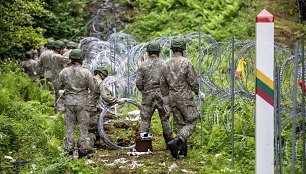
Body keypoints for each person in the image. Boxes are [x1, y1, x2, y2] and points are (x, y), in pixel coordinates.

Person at [160, 38, 199, 159]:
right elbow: (192, 81)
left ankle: (182, 152)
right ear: (182, 50)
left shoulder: (166, 64)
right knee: (192, 121)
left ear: (172, 50)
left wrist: (166, 96)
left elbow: (163, 83)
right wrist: (198, 91)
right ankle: (176, 142)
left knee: (181, 123)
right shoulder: (186, 62)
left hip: (172, 98)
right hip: (185, 97)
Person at [55, 49, 96, 158]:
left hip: (68, 102)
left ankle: (69, 150)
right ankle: (83, 149)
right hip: (82, 102)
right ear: (81, 59)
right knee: (83, 127)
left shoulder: (64, 71)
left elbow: (58, 85)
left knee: (69, 127)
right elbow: (93, 88)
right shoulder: (86, 72)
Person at [135, 41, 173, 147]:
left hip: (148, 95)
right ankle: (170, 143)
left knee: (145, 120)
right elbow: (170, 80)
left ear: (148, 52)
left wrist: (144, 90)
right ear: (158, 52)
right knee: (165, 119)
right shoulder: (165, 64)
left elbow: (138, 83)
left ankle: (143, 144)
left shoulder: (143, 65)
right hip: (162, 95)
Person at [88, 66, 124, 149]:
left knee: (83, 129)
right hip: (90, 109)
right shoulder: (100, 82)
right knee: (91, 130)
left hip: (80, 106)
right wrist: (116, 100)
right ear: (102, 74)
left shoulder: (88, 79)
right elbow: (106, 97)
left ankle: (79, 147)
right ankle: (88, 148)